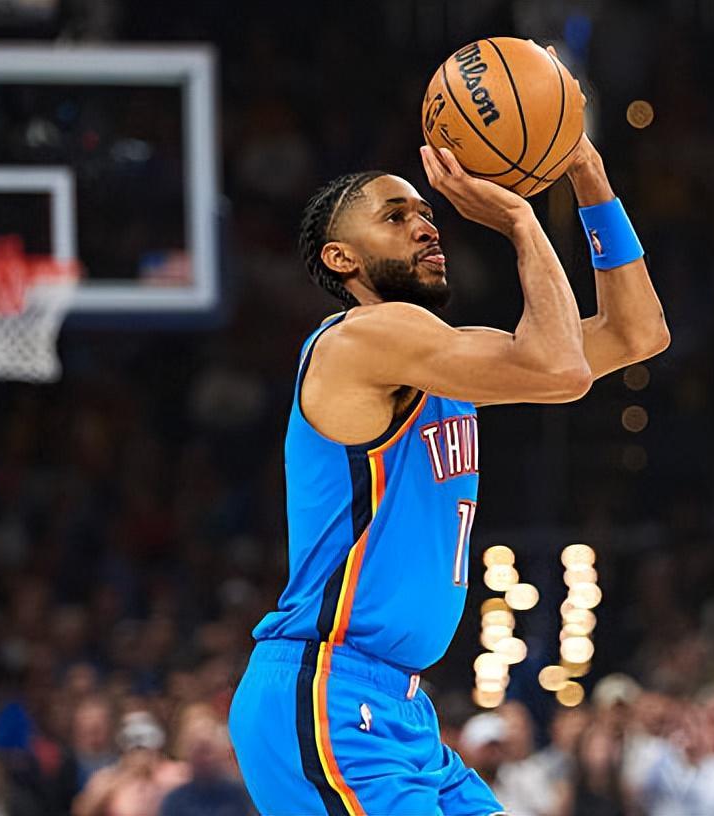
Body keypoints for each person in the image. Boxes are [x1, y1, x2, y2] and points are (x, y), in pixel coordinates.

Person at [228, 45, 670, 815]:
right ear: (341, 257)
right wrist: (521, 218)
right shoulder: (359, 339)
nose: (425, 224)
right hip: (326, 694)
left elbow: (638, 334)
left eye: (426, 213)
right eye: (395, 217)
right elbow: (563, 369)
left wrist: (586, 169)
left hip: (401, 709)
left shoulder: (442, 363)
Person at [72, 711, 189, 816]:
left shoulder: (176, 773)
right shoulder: (106, 778)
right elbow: (83, 811)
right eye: (135, 745)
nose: (140, 752)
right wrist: (121, 779)